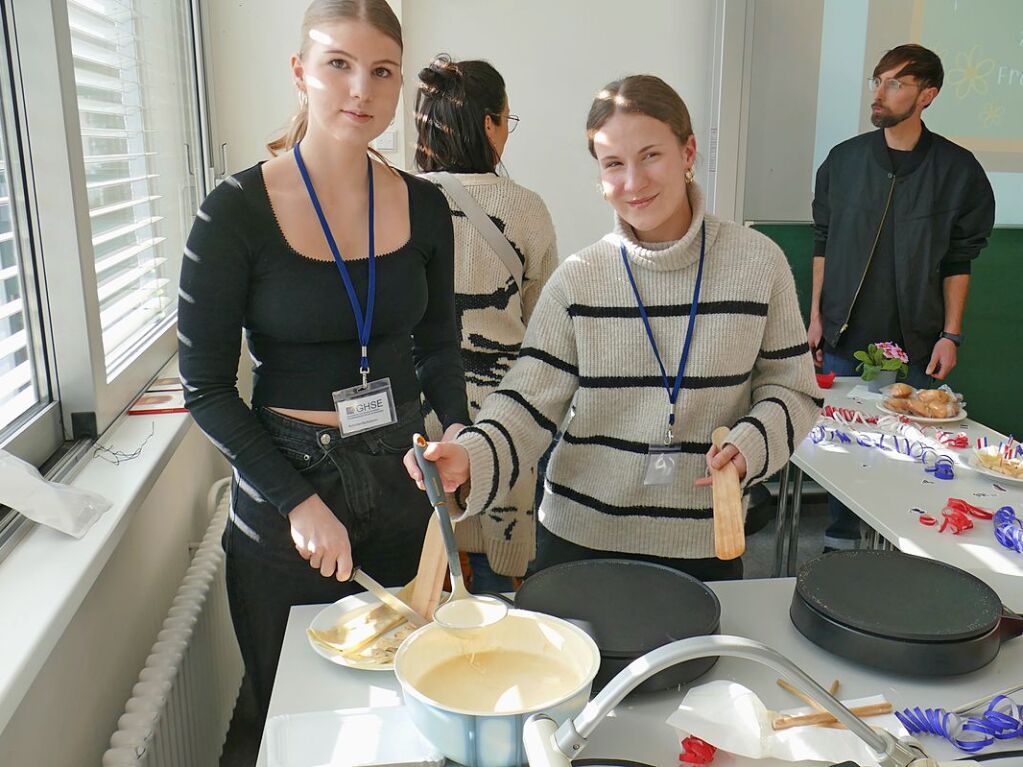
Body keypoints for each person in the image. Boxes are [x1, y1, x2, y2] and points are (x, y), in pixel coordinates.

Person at [405, 75, 820, 582]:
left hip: (704, 539)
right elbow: (528, 403)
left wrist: (753, 443)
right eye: (613, 165)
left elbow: (792, 389)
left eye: (651, 156)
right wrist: (471, 456)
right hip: (582, 539)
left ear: (688, 151)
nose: (633, 182)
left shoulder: (759, 264)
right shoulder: (579, 281)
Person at [177, 0, 468, 722]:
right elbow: (207, 387)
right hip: (286, 486)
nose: (360, 90)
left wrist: (459, 431)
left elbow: (435, 345)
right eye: (338, 64)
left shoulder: (427, 207)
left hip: (402, 473)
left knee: (412, 705)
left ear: (401, 84)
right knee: (298, 716)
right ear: (300, 71)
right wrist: (296, 500)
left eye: (381, 71)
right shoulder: (232, 213)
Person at [808, 43, 995, 551]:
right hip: (847, 333)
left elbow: (960, 260)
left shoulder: (958, 171)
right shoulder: (844, 162)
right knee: (844, 449)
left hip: (916, 340)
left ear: (927, 94)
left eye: (895, 83)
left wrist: (951, 334)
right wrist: (816, 319)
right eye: (878, 81)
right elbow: (822, 241)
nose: (880, 92)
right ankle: (839, 544)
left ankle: (908, 548)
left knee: (911, 454)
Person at [413, 55, 558, 593]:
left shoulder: (398, 198)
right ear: (488, 124)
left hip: (420, 410)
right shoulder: (527, 209)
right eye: (507, 121)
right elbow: (542, 325)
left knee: (430, 575)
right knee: (504, 577)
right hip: (505, 415)